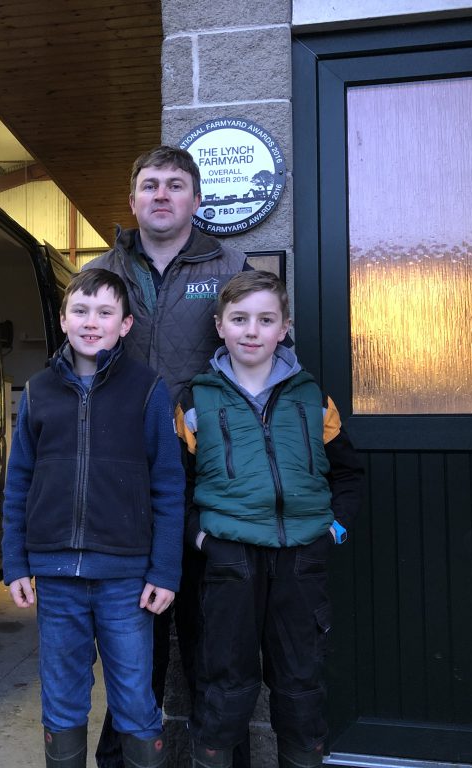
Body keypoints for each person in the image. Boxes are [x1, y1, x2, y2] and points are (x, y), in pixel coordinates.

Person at [85, 145, 249, 767]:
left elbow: (264, 354)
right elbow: (76, 361)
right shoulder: (102, 273)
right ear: (131, 201)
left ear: (195, 200)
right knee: (132, 644)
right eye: (149, 185)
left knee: (214, 641)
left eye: (175, 185)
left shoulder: (231, 265)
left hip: (211, 480)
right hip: (125, 482)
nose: (161, 195)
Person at [176, 271, 363, 768]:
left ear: (284, 328)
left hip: (302, 560)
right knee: (224, 686)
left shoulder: (313, 399)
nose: (251, 331)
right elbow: (177, 486)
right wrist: (199, 538)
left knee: (300, 686)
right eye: (239, 319)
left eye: (265, 320)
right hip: (229, 562)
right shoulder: (195, 403)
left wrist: (333, 528)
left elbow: (348, 474)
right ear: (220, 326)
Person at [2, 268, 185, 768]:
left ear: (125, 324)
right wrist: (16, 562)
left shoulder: (148, 390)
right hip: (57, 579)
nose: (91, 322)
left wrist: (164, 570)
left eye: (105, 312)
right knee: (62, 699)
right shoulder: (39, 391)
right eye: (80, 310)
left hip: (126, 580)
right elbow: (18, 481)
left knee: (134, 698)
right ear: (63, 319)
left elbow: (169, 486)